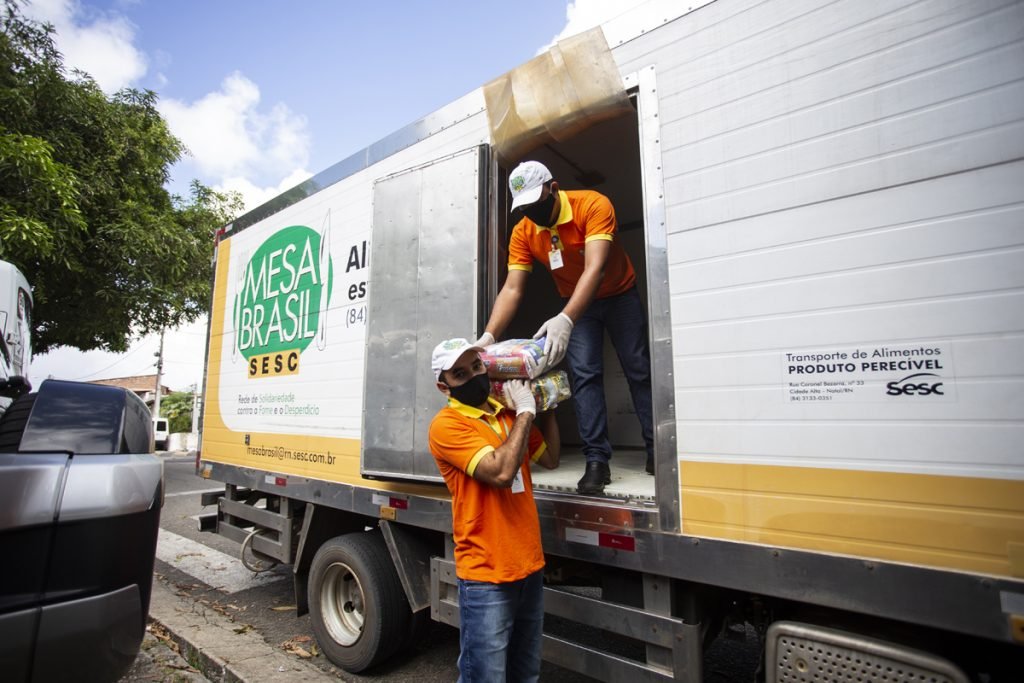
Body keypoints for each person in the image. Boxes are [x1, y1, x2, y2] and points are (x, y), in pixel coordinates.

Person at [474, 160, 654, 495]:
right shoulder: (523, 232)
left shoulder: (592, 205)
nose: (532, 213)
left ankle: (655, 447)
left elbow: (595, 268)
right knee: (584, 374)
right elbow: (513, 288)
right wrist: (488, 336)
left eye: (536, 204)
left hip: (618, 295)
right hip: (576, 303)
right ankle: (597, 461)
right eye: (524, 208)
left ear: (553, 189)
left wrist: (566, 318)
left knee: (638, 368)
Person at [427, 337, 560, 683]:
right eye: (460, 374)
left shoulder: (506, 413)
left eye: (477, 366)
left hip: (529, 565)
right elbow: (501, 473)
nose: (474, 376)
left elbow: (550, 458)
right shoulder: (447, 426)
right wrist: (527, 412)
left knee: (525, 674)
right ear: (445, 386)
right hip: (487, 575)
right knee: (485, 677)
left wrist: (547, 403)